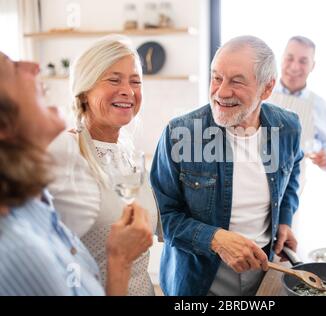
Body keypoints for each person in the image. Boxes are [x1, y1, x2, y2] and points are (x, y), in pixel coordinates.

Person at [150, 36, 303, 296]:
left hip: (264, 270)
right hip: (199, 279)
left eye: (237, 81)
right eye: (216, 77)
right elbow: (160, 218)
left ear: (266, 89)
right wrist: (215, 239)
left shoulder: (288, 127)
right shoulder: (180, 133)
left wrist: (285, 219)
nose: (221, 92)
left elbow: (293, 169)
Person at [0, 51, 152, 296]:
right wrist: (120, 261)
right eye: (12, 67)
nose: (34, 64)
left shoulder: (37, 207)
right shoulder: (20, 253)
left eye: (135, 80)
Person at [46, 36, 160, 296]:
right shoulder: (64, 150)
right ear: (84, 91)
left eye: (135, 81)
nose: (128, 91)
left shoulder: (129, 152)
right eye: (113, 79)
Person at [276, 36, 326, 170]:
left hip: (299, 179)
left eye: (303, 61)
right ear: (281, 59)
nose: (295, 67)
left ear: (312, 66)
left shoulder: (320, 105)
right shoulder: (262, 95)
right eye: (289, 58)